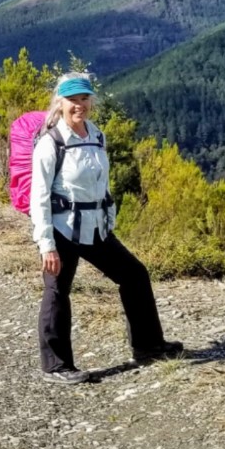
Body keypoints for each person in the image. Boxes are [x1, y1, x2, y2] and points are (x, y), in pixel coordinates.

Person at [30, 73, 182, 383]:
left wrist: (109, 216)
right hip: (62, 230)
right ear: (59, 103)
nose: (80, 105)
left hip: (95, 227)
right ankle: (56, 366)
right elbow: (39, 197)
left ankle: (148, 345)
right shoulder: (50, 143)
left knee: (134, 275)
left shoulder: (97, 135)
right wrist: (46, 244)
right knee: (57, 291)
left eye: (84, 98)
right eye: (73, 100)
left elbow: (102, 183)